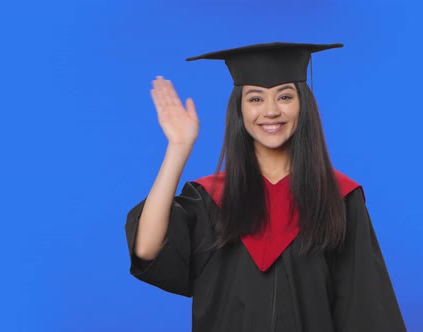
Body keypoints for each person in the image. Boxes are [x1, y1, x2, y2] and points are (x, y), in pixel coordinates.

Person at [125, 42, 406, 331]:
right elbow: (147, 249)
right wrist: (178, 147)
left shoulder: (339, 197)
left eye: (284, 96)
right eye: (256, 99)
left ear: (303, 105)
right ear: (240, 110)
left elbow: (366, 306)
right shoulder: (209, 199)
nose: (270, 111)